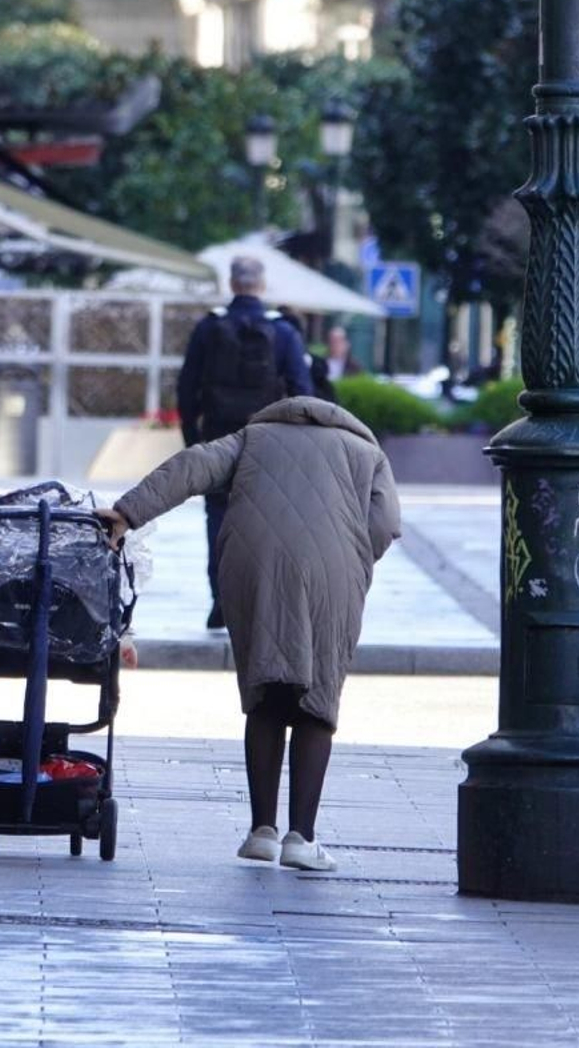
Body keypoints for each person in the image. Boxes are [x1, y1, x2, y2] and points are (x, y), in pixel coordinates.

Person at [97, 396, 401, 871]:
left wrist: (127, 512)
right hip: (333, 572)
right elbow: (384, 525)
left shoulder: (253, 438)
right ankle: (301, 838)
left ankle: (262, 831)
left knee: (264, 690)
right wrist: (353, 559)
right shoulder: (366, 452)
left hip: (251, 564)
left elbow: (192, 467)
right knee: (316, 700)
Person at [177, 256, 312, 629]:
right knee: (269, 519)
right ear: (261, 285)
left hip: (218, 436)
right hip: (270, 441)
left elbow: (187, 388)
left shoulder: (209, 327)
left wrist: (194, 438)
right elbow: (304, 391)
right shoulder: (283, 332)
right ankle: (258, 604)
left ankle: (221, 599)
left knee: (218, 517)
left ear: (233, 284)